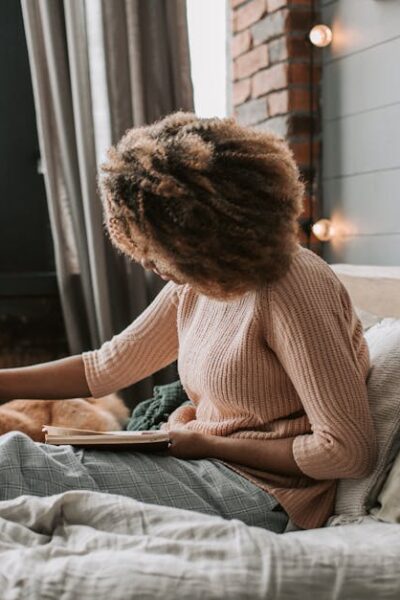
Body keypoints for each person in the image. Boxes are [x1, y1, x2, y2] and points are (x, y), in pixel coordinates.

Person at [0, 111, 377, 533]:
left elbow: (347, 451)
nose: (147, 261)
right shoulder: (201, 280)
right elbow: (106, 366)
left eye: (156, 246)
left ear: (202, 229)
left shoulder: (292, 286)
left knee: (14, 467)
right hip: (199, 460)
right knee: (19, 456)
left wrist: (207, 442)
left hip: (262, 493)